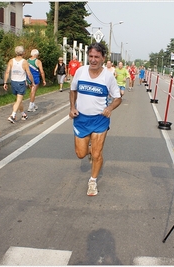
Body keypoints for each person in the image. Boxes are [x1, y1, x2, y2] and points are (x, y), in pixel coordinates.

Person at [69, 42, 122, 196]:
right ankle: (90, 149)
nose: (93, 60)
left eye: (96, 57)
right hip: (81, 119)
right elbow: (73, 90)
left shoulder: (108, 76)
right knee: (81, 153)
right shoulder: (80, 71)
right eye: (90, 56)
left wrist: (110, 108)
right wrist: (72, 107)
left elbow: (118, 98)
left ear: (103, 58)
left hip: (100, 120)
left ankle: (92, 181)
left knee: (97, 154)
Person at [3, 46, 35, 123]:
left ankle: (23, 114)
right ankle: (12, 115)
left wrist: (5, 82)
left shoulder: (11, 61)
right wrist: (32, 82)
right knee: (19, 100)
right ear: (23, 53)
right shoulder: (24, 62)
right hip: (21, 82)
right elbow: (29, 73)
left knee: (19, 100)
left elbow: (7, 72)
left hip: (13, 82)